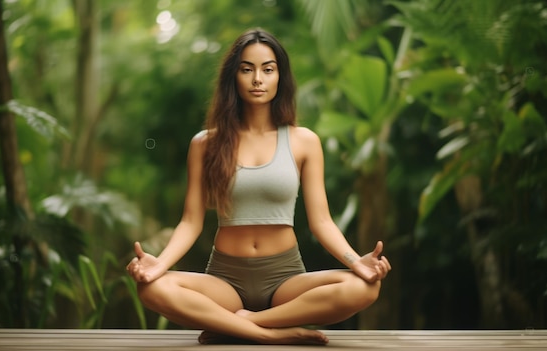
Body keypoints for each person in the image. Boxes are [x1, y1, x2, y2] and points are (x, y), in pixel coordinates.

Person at [126, 28, 391, 345]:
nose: (257, 79)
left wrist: (355, 261)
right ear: (233, 77)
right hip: (225, 280)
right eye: (246, 69)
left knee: (365, 286)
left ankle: (247, 324)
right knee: (151, 288)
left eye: (268, 69)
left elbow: (321, 222)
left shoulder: (303, 141)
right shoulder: (205, 144)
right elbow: (190, 221)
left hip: (286, 279)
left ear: (280, 77)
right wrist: (160, 265)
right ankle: (272, 335)